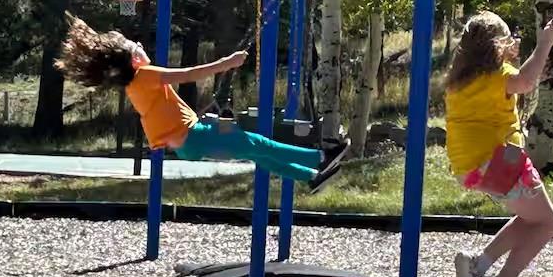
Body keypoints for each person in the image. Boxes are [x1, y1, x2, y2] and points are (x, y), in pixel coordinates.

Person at [56, 13, 349, 190]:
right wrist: (228, 62)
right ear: (135, 59)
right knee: (258, 144)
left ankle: (310, 177)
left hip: (189, 142)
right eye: (139, 48)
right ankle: (320, 157)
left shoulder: (136, 83)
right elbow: (189, 74)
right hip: (193, 139)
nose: (143, 49)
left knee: (258, 153)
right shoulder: (144, 74)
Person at [445, 11, 553, 277]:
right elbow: (525, 82)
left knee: (530, 217)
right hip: (498, 160)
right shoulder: (497, 74)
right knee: (548, 222)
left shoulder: (460, 80)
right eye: (507, 38)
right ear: (496, 45)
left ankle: (477, 264)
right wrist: (545, 45)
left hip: (469, 167)